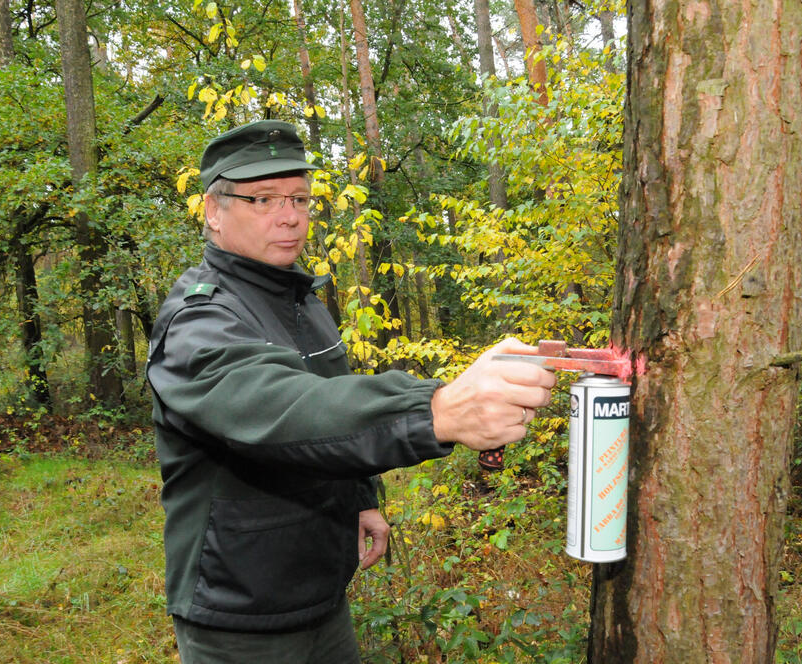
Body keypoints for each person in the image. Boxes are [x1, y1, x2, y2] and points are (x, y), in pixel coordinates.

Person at [146, 119, 556, 664]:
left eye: (298, 198)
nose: (290, 216)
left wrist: (362, 499)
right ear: (214, 212)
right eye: (264, 199)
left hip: (320, 587)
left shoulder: (304, 301)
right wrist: (435, 410)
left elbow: (334, 403)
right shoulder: (198, 322)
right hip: (240, 610)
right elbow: (287, 410)